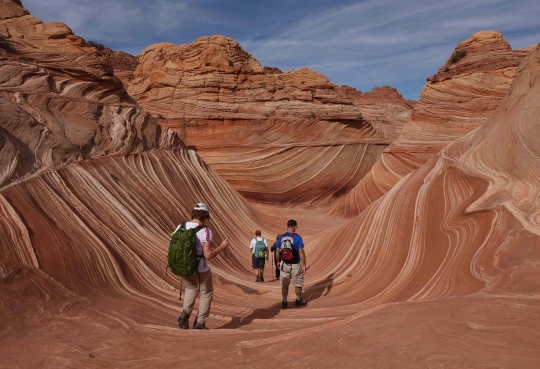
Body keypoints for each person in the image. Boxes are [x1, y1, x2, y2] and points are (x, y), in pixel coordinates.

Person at [177, 203, 229, 330]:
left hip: (182, 267)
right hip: (200, 269)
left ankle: (184, 313)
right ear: (205, 215)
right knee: (206, 293)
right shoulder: (205, 230)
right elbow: (208, 254)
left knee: (191, 288)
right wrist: (222, 246)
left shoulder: (181, 226)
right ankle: (200, 323)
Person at [275, 219, 307, 309]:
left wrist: (278, 261)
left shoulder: (282, 237)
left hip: (284, 264)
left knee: (285, 284)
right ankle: (297, 301)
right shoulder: (297, 237)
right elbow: (301, 252)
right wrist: (304, 265)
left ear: (287, 227)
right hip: (295, 264)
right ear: (294, 227)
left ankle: (284, 302)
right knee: (298, 284)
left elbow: (277, 250)